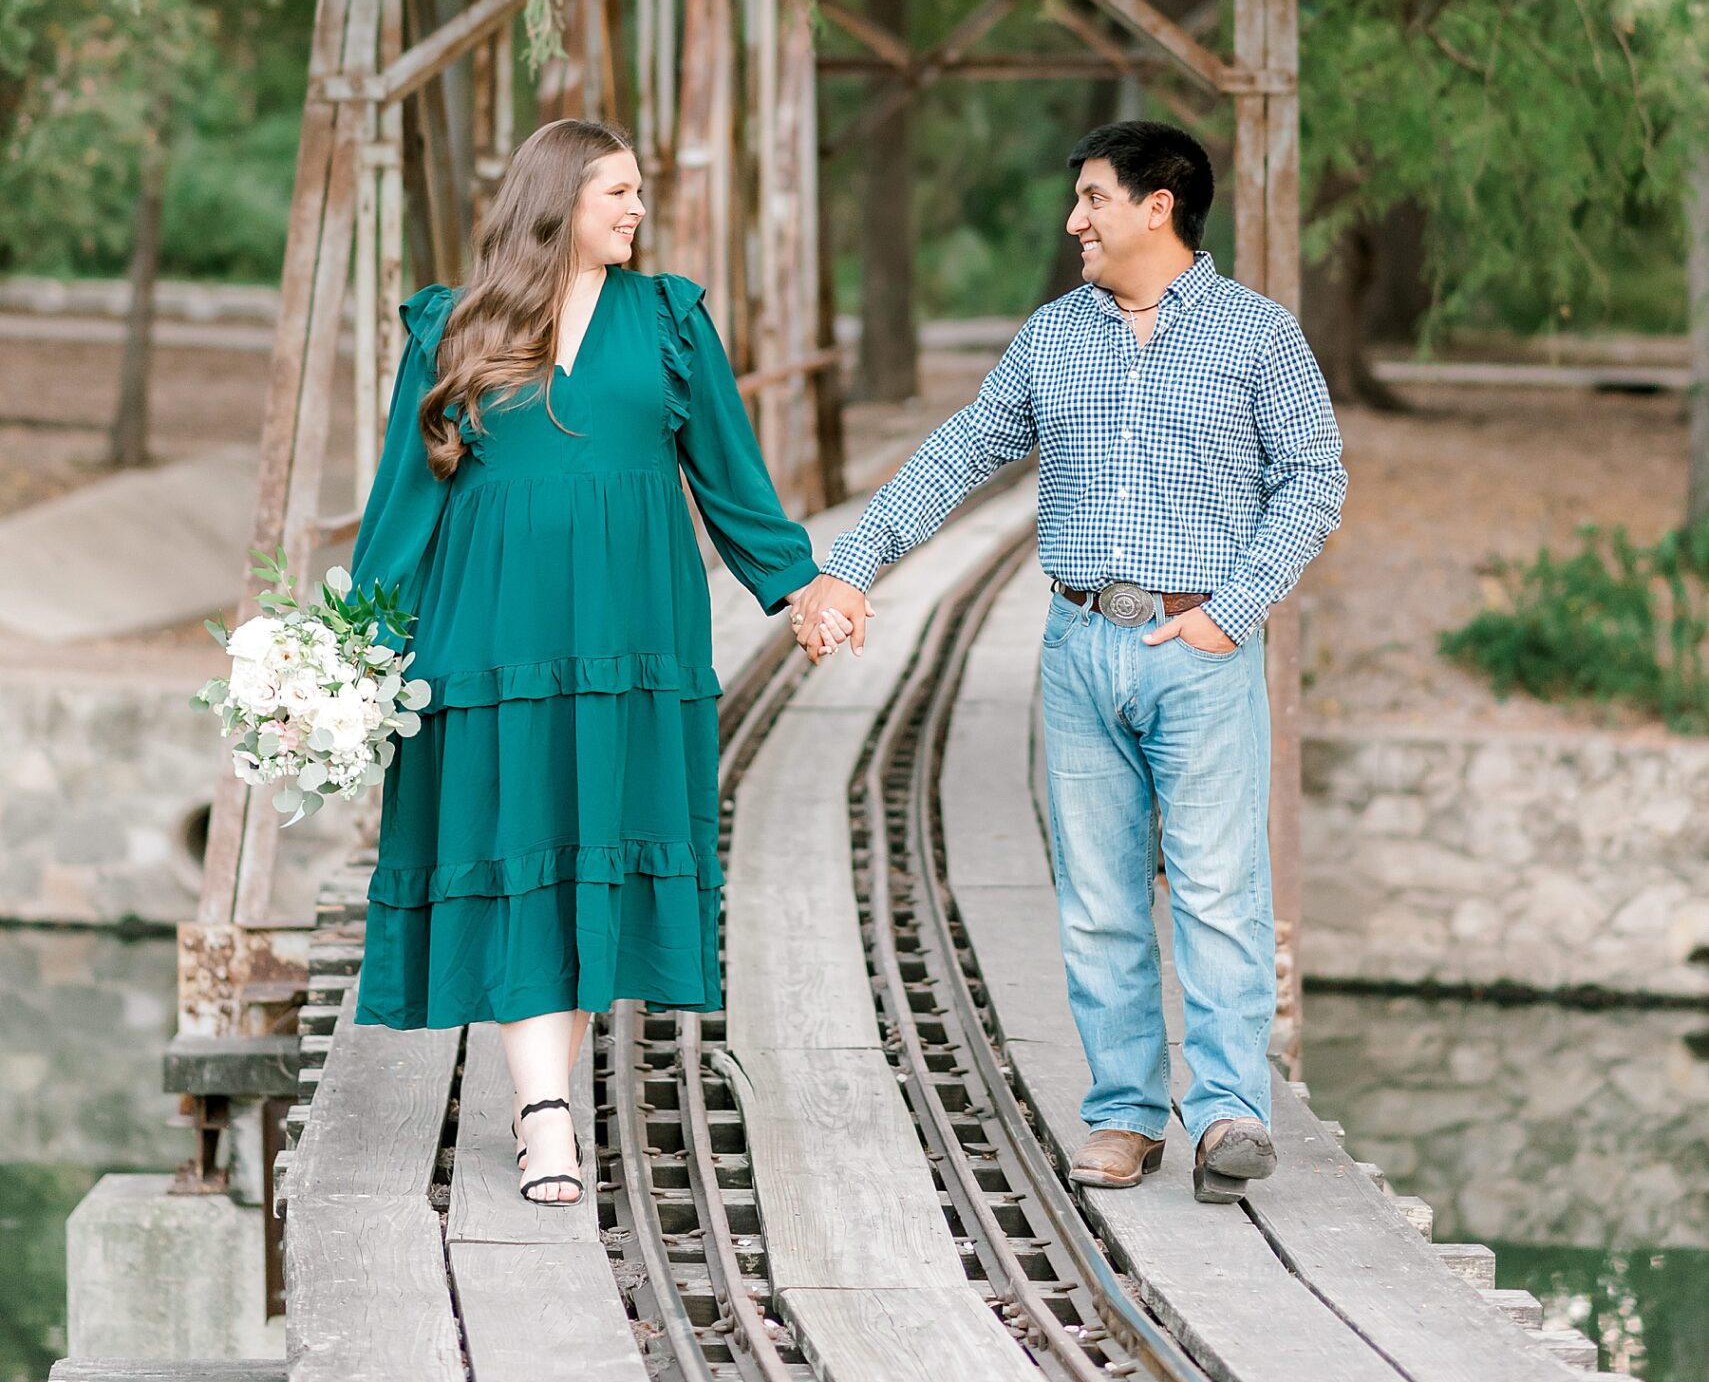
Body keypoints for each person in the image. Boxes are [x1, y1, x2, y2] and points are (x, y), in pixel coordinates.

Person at [791, 121, 1347, 1205]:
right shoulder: (1054, 336)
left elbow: (1313, 479)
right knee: (1095, 896)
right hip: (1079, 642)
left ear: (1158, 206)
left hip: (1197, 646)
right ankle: (1124, 1116)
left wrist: (1231, 611)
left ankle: (1228, 1112)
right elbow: (959, 449)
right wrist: (851, 568)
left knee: (1217, 890)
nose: (1071, 222)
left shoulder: (1256, 336)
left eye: (1091, 199)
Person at [348, 118, 830, 1206]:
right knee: (521, 848)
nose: (636, 208)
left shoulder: (668, 320)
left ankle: (545, 1109)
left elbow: (730, 474)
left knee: (586, 853)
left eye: (639, 191)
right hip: (492, 640)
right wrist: (347, 659)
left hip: (627, 635)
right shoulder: (452, 326)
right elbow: (401, 506)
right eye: (618, 190)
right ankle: (545, 1116)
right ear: (558, 196)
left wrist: (797, 583)